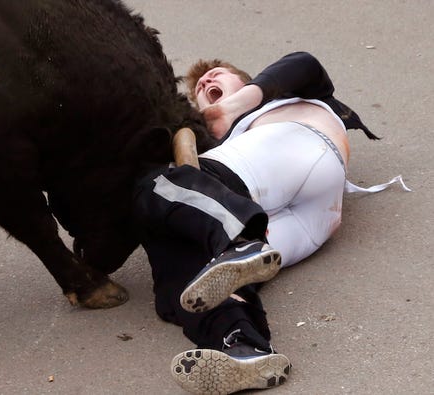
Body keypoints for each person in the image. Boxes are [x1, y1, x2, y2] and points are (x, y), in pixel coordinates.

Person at [132, 52, 410, 395]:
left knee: (157, 185)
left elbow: (305, 63)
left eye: (216, 75)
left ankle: (237, 241)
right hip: (317, 219)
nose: (205, 83)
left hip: (287, 150)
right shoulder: (220, 137)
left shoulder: (282, 98)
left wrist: (236, 105)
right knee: (185, 288)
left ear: (246, 80)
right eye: (200, 90)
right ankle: (244, 346)